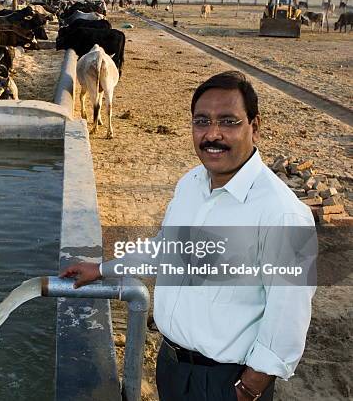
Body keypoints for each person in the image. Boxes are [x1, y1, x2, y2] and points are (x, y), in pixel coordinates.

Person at [60, 71, 315, 401]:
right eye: (201, 121)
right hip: (172, 366)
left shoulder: (283, 214)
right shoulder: (193, 183)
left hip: (226, 381)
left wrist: (250, 387)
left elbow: (289, 318)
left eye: (229, 122)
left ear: (255, 126)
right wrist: (103, 269)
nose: (212, 134)